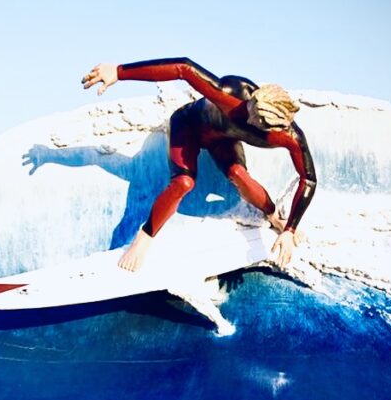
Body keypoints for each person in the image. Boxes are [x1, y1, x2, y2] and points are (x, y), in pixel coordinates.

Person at [81, 58, 317, 271]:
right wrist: (119, 72)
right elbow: (184, 68)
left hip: (223, 140)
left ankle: (274, 216)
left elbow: (309, 179)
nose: (251, 119)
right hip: (189, 127)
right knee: (184, 182)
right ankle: (144, 236)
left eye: (259, 122)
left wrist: (290, 230)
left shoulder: (289, 136)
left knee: (238, 173)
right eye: (252, 112)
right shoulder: (232, 94)